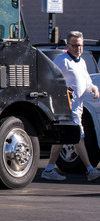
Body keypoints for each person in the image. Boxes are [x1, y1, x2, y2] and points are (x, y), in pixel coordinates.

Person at [41, 31, 100, 182]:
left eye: (80, 45)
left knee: (62, 140)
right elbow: (49, 78)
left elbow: (86, 81)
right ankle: (90, 170)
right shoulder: (62, 60)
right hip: (66, 107)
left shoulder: (81, 62)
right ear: (68, 45)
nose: (78, 48)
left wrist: (93, 88)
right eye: (74, 45)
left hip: (78, 107)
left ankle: (48, 169)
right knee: (78, 136)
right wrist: (63, 89)